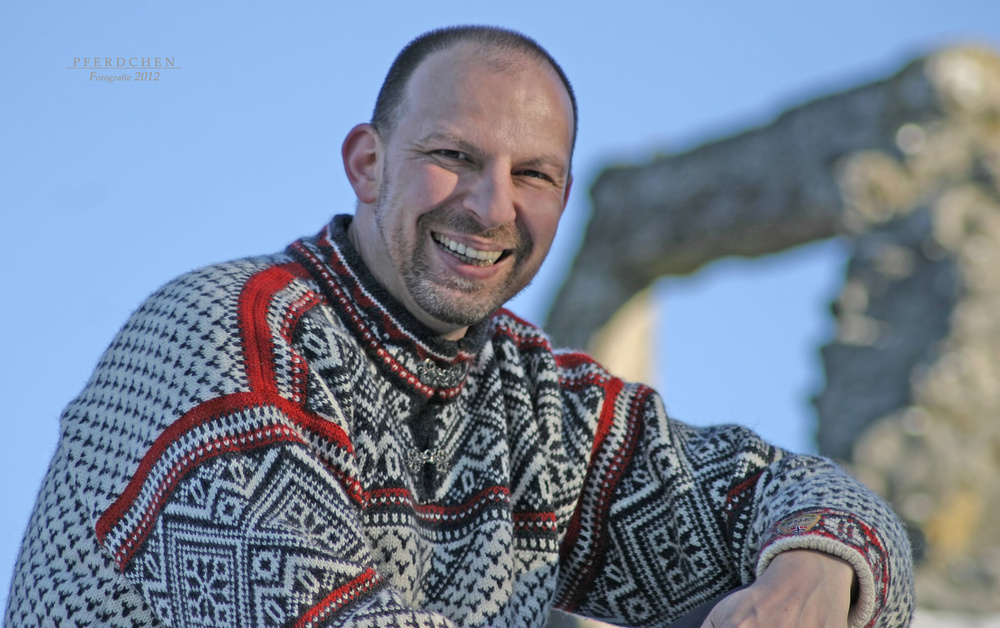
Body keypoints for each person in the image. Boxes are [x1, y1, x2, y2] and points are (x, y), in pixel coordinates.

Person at [5, 25, 914, 628]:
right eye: (452, 157)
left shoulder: (536, 405)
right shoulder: (226, 341)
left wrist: (811, 571)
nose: (490, 207)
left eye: (535, 176)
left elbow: (811, 498)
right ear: (368, 163)